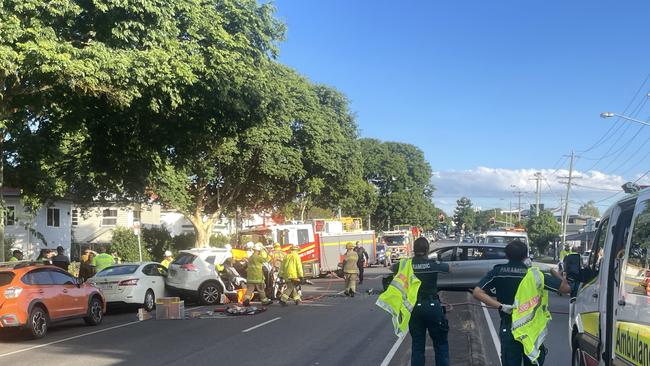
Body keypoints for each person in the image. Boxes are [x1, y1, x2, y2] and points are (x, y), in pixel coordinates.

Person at [473, 240, 570, 366]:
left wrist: (501, 306)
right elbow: (566, 288)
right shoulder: (535, 275)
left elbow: (477, 292)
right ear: (526, 256)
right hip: (531, 331)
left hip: (509, 327)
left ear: (507, 255)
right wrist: (552, 270)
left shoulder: (498, 271)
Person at [377, 237, 451, 366]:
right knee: (440, 344)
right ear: (427, 249)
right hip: (432, 306)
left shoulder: (405, 264)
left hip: (414, 308)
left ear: (413, 249)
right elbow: (449, 269)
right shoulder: (433, 265)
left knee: (417, 346)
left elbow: (391, 268)